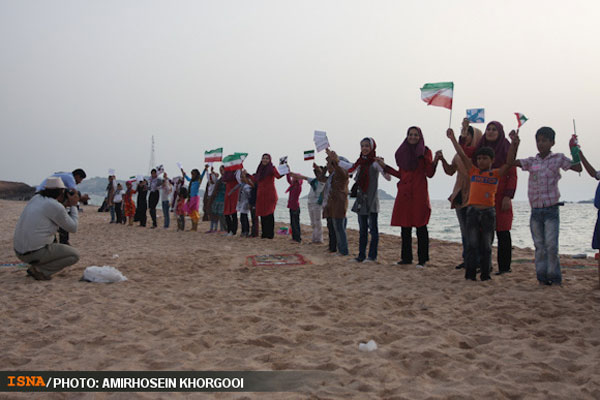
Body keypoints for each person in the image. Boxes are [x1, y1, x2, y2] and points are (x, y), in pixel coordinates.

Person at [446, 127, 520, 281]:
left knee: (487, 246)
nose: (481, 161)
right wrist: (453, 139)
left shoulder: (495, 173)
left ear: (492, 160)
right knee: (472, 244)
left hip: (488, 213)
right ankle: (470, 274)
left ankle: (485, 275)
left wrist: (514, 144)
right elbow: (462, 154)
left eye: (485, 158)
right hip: (472, 212)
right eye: (479, 158)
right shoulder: (473, 171)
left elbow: (509, 162)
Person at [514, 127, 582, 285]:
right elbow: (512, 162)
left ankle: (555, 277)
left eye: (544, 140)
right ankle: (542, 277)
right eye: (538, 140)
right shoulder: (532, 161)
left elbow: (578, 167)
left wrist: (574, 150)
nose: (541, 143)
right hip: (535, 210)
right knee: (539, 246)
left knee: (551, 245)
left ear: (552, 142)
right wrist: (514, 144)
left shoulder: (558, 158)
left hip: (551, 209)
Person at [380, 127, 438, 268]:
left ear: (420, 137)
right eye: (410, 134)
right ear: (407, 136)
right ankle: (406, 258)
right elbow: (401, 174)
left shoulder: (425, 151)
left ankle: (422, 260)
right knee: (405, 227)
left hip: (419, 192)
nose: (413, 137)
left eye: (415, 135)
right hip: (404, 193)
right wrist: (385, 166)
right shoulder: (403, 152)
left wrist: (435, 160)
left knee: (421, 226)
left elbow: (429, 173)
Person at [14, 177, 80, 280]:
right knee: (74, 255)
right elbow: (73, 228)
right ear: (61, 192)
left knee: (52, 238)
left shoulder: (36, 198)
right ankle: (41, 271)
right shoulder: (54, 206)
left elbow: (49, 211)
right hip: (34, 253)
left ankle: (37, 266)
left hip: (19, 251)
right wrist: (74, 205)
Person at [473, 121, 518, 275]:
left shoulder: (506, 148)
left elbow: (512, 173)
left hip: (501, 197)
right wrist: (461, 135)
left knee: (503, 232)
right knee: (483, 234)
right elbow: (468, 159)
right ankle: (484, 265)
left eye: (494, 130)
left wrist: (508, 196)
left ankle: (505, 267)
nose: (491, 132)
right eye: (488, 129)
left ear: (500, 132)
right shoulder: (480, 148)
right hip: (484, 198)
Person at [439, 119, 482, 269]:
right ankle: (467, 258)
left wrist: (453, 138)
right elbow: (450, 171)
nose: (465, 136)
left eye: (468, 134)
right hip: (459, 195)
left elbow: (464, 157)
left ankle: (477, 260)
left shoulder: (479, 158)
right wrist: (442, 160)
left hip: (474, 196)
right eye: (463, 134)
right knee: (464, 230)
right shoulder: (458, 156)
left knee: (474, 230)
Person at [349, 137, 391, 262]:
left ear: (372, 147)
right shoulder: (360, 163)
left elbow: (388, 177)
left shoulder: (375, 163)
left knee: (373, 230)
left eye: (367, 146)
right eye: (362, 146)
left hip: (372, 201)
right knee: (362, 230)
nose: (365, 148)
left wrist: (383, 165)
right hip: (361, 201)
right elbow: (349, 170)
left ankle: (372, 256)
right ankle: (361, 256)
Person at [36, 168, 87, 245]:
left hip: (41, 194)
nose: (80, 182)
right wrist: (80, 199)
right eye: (81, 179)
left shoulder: (65, 176)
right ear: (77, 176)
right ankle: (63, 240)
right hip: (45, 194)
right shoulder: (70, 178)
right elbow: (74, 193)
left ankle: (59, 240)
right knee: (64, 216)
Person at [322, 148, 349, 256]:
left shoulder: (342, 174)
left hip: (339, 204)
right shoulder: (332, 177)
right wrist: (319, 169)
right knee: (335, 228)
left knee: (339, 228)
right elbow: (321, 178)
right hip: (332, 204)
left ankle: (343, 251)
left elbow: (339, 169)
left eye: (331, 164)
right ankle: (338, 249)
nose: (329, 166)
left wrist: (335, 160)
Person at [291, 164, 327, 244]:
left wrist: (317, 168)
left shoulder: (323, 181)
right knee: (313, 222)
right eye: (316, 172)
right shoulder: (313, 180)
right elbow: (303, 177)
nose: (317, 174)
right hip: (310, 202)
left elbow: (321, 174)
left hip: (317, 203)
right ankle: (314, 239)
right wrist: (291, 173)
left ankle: (319, 239)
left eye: (318, 172)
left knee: (317, 221)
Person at [254, 154, 283, 239]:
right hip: (261, 195)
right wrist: (246, 175)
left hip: (270, 195)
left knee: (269, 214)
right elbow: (255, 179)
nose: (265, 160)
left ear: (270, 160)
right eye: (263, 158)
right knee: (262, 214)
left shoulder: (272, 168)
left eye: (267, 158)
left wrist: (284, 170)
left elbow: (278, 176)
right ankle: (264, 234)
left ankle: (270, 235)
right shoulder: (259, 169)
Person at [182, 166, 208, 231]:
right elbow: (187, 178)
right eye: (191, 174)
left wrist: (205, 169)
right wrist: (183, 173)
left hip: (195, 198)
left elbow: (202, 176)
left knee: (195, 213)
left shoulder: (198, 181)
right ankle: (193, 227)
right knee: (191, 213)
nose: (192, 175)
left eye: (193, 174)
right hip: (191, 198)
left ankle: (195, 227)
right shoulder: (191, 181)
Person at [285, 169, 303, 243]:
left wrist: (295, 175)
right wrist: (287, 170)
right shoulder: (292, 185)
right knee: (292, 223)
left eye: (295, 177)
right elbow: (288, 179)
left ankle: (298, 238)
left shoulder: (298, 186)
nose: (293, 178)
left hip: (295, 207)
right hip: (291, 207)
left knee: (296, 223)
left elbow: (299, 181)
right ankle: (294, 237)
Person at [223, 169, 242, 236]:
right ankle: (228, 230)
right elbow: (224, 180)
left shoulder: (237, 171)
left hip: (234, 193)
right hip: (228, 193)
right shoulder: (227, 172)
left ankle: (233, 231)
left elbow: (240, 182)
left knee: (233, 213)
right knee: (226, 213)